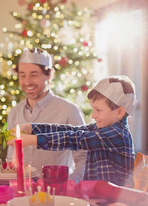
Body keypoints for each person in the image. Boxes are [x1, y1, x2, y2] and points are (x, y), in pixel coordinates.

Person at [8, 76, 136, 187]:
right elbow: (70, 130)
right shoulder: (99, 128)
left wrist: (33, 140)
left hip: (115, 204)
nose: (93, 115)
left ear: (119, 112)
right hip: (96, 197)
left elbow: (75, 139)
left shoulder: (118, 135)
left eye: (98, 110)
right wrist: (32, 128)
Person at [6, 48, 87, 183]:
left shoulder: (69, 110)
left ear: (48, 75)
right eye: (22, 75)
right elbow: (11, 156)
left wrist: (72, 183)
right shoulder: (14, 112)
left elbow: (83, 157)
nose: (27, 82)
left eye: (34, 74)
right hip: (21, 190)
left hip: (57, 191)